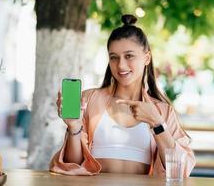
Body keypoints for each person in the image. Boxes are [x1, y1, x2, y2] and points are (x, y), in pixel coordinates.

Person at [50, 14, 195, 176]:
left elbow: (180, 172)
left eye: (129, 56)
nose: (121, 65)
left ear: (146, 58)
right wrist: (74, 128)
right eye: (114, 57)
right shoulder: (89, 100)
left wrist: (157, 123)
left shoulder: (162, 111)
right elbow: (72, 167)